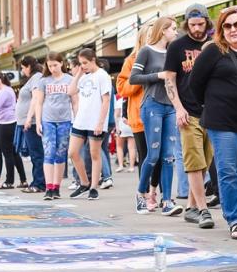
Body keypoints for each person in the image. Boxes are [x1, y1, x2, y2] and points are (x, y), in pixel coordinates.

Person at [189, 6, 237, 240]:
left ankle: (235, 210)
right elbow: (195, 84)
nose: (233, 29)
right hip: (221, 121)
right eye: (228, 25)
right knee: (228, 171)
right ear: (222, 29)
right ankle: (234, 219)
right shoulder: (214, 51)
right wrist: (213, 104)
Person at [165, 4, 218, 228]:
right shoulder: (177, 46)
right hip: (188, 112)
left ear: (207, 22)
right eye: (192, 24)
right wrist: (178, 108)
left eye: (200, 23)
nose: (197, 28)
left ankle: (191, 207)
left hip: (213, 112)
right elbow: (169, 79)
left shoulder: (215, 45)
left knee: (204, 161)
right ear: (187, 24)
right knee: (194, 162)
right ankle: (204, 210)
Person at [130, 16, 185, 217]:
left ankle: (167, 201)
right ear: (163, 30)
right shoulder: (146, 51)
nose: (176, 32)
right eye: (173, 29)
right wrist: (158, 76)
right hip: (152, 104)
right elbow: (134, 78)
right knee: (153, 155)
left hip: (170, 106)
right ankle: (140, 194)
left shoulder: (173, 52)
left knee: (168, 156)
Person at [117, 23, 157, 209]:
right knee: (146, 156)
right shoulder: (132, 60)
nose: (152, 38)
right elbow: (122, 88)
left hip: (162, 113)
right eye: (148, 35)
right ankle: (144, 194)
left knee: (162, 157)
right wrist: (141, 79)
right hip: (140, 116)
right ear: (141, 38)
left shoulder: (163, 57)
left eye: (154, 34)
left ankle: (158, 195)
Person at [68, 48, 111, 200]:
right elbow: (70, 91)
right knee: (72, 152)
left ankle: (93, 186)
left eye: (85, 63)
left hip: (95, 121)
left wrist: (100, 123)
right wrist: (79, 73)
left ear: (93, 60)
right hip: (81, 120)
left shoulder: (102, 75)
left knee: (94, 154)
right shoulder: (83, 76)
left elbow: (106, 100)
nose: (83, 66)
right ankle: (84, 183)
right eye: (81, 63)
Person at [34, 52, 74, 200]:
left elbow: (75, 101)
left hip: (64, 120)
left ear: (61, 63)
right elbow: (38, 102)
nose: (52, 68)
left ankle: (56, 187)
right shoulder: (44, 81)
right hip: (48, 120)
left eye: (55, 65)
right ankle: (48, 187)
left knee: (60, 154)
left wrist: (76, 120)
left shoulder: (70, 79)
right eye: (50, 66)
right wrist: (38, 122)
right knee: (49, 153)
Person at [17, 56, 47, 193]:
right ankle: (38, 181)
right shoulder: (33, 78)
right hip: (29, 122)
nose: (23, 71)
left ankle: (39, 183)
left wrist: (29, 118)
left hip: (34, 122)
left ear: (29, 66)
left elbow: (36, 98)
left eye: (23, 68)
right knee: (35, 153)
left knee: (37, 154)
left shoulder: (36, 77)